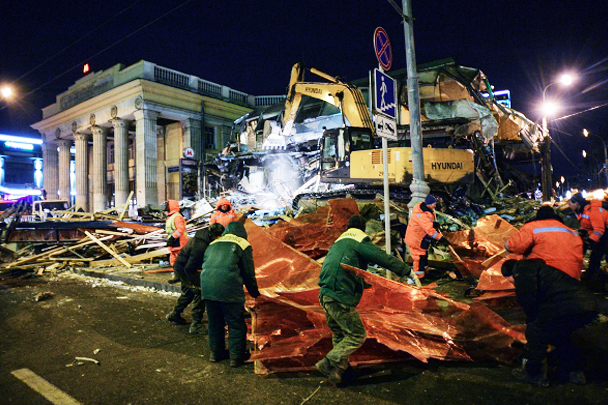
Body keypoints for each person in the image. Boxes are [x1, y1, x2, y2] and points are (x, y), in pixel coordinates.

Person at [316, 215, 421, 384]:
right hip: (340, 295)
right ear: (362, 229)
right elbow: (382, 258)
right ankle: (329, 362)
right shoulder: (359, 241)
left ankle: (341, 372)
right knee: (357, 335)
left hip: (325, 295)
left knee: (340, 333)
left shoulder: (339, 243)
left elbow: (344, 269)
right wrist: (407, 271)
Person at [501, 259, 600, 386]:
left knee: (536, 331)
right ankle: (574, 372)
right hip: (588, 305)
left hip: (569, 305)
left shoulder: (522, 272)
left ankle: (534, 374)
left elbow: (529, 302)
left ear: (509, 275)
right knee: (560, 335)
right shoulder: (538, 269)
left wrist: (531, 324)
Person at [200, 221, 260, 368]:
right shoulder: (243, 244)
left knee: (215, 323)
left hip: (207, 288)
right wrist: (255, 293)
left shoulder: (214, 243)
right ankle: (236, 357)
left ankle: (215, 353)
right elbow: (248, 272)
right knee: (236, 323)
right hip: (228, 289)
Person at [166, 223, 225, 331]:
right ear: (214, 235)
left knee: (188, 293)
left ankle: (175, 314)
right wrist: (195, 284)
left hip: (182, 266)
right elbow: (190, 268)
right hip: (185, 268)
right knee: (199, 292)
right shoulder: (200, 246)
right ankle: (196, 324)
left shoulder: (203, 237)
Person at [505, 206, 583, 280]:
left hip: (546, 276)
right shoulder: (572, 232)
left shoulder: (532, 227)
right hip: (572, 277)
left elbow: (513, 246)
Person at [567, 192, 608, 289]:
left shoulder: (594, 211)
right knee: (595, 257)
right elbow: (587, 226)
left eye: (570, 204)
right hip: (602, 235)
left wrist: (590, 242)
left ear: (576, 203)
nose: (569, 206)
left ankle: (596, 280)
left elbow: (599, 230)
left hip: (605, 234)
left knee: (597, 256)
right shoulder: (582, 211)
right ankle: (593, 279)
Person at [404, 194, 449, 278]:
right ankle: (418, 277)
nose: (435, 205)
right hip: (416, 240)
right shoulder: (421, 215)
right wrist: (441, 238)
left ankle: (424, 272)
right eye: (433, 204)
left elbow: (427, 225)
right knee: (419, 258)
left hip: (420, 239)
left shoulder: (424, 211)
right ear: (428, 204)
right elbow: (429, 230)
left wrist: (433, 224)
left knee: (423, 256)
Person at [165, 199, 189, 284]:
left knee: (179, 260)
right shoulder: (172, 216)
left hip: (178, 241)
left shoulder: (176, 217)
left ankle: (182, 277)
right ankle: (178, 276)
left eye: (167, 205)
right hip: (175, 240)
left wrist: (172, 237)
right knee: (174, 259)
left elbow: (180, 229)